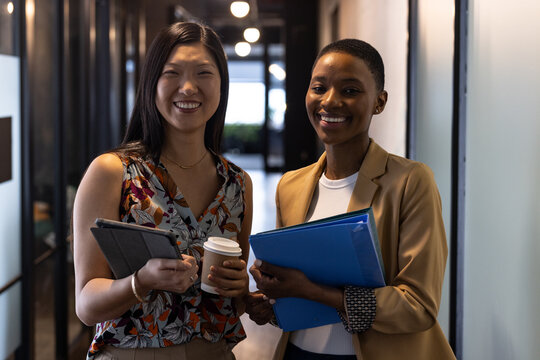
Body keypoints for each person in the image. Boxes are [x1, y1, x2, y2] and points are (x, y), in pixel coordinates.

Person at [245, 39, 455, 360]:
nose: (330, 101)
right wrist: (270, 302)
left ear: (379, 102)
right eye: (319, 87)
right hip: (298, 352)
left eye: (350, 91)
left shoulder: (410, 182)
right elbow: (291, 294)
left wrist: (311, 291)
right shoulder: (291, 185)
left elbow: (419, 306)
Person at [73, 22, 253, 359]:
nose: (188, 87)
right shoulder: (113, 172)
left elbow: (231, 302)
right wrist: (140, 281)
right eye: (172, 73)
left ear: (222, 85)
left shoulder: (237, 183)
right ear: (152, 84)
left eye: (203, 73)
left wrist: (241, 289)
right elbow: (86, 305)